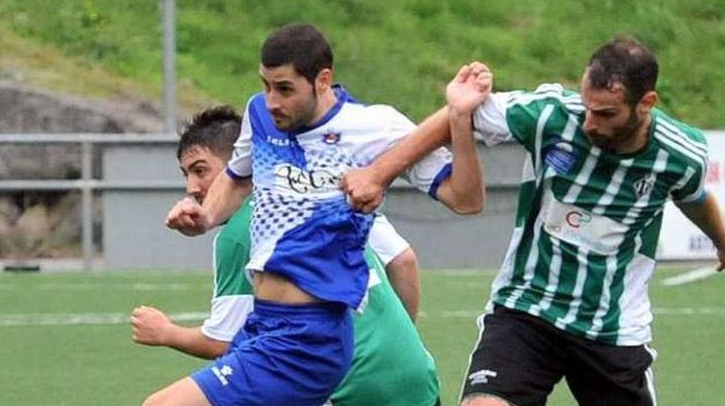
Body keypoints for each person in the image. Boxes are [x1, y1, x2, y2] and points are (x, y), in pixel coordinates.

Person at [341, 36, 725, 406]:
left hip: (610, 329)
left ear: (647, 103)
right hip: (526, 310)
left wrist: (723, 242)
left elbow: (693, 196)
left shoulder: (680, 154)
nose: (590, 123)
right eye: (587, 107)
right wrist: (378, 174)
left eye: (606, 114)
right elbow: (455, 116)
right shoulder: (553, 115)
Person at [151, 23, 491, 406]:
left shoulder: (373, 127)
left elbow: (466, 199)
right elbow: (236, 176)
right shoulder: (259, 115)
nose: (271, 100)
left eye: (284, 89)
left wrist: (459, 119)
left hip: (310, 337)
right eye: (265, 85)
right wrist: (205, 217)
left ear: (323, 80)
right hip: (263, 325)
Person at [131, 105, 442, 405]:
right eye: (186, 175)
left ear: (240, 165)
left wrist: (166, 333)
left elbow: (221, 341)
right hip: (415, 376)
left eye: (200, 171)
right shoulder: (329, 195)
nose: (192, 187)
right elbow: (404, 260)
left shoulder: (241, 235)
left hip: (346, 387)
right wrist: (394, 344)